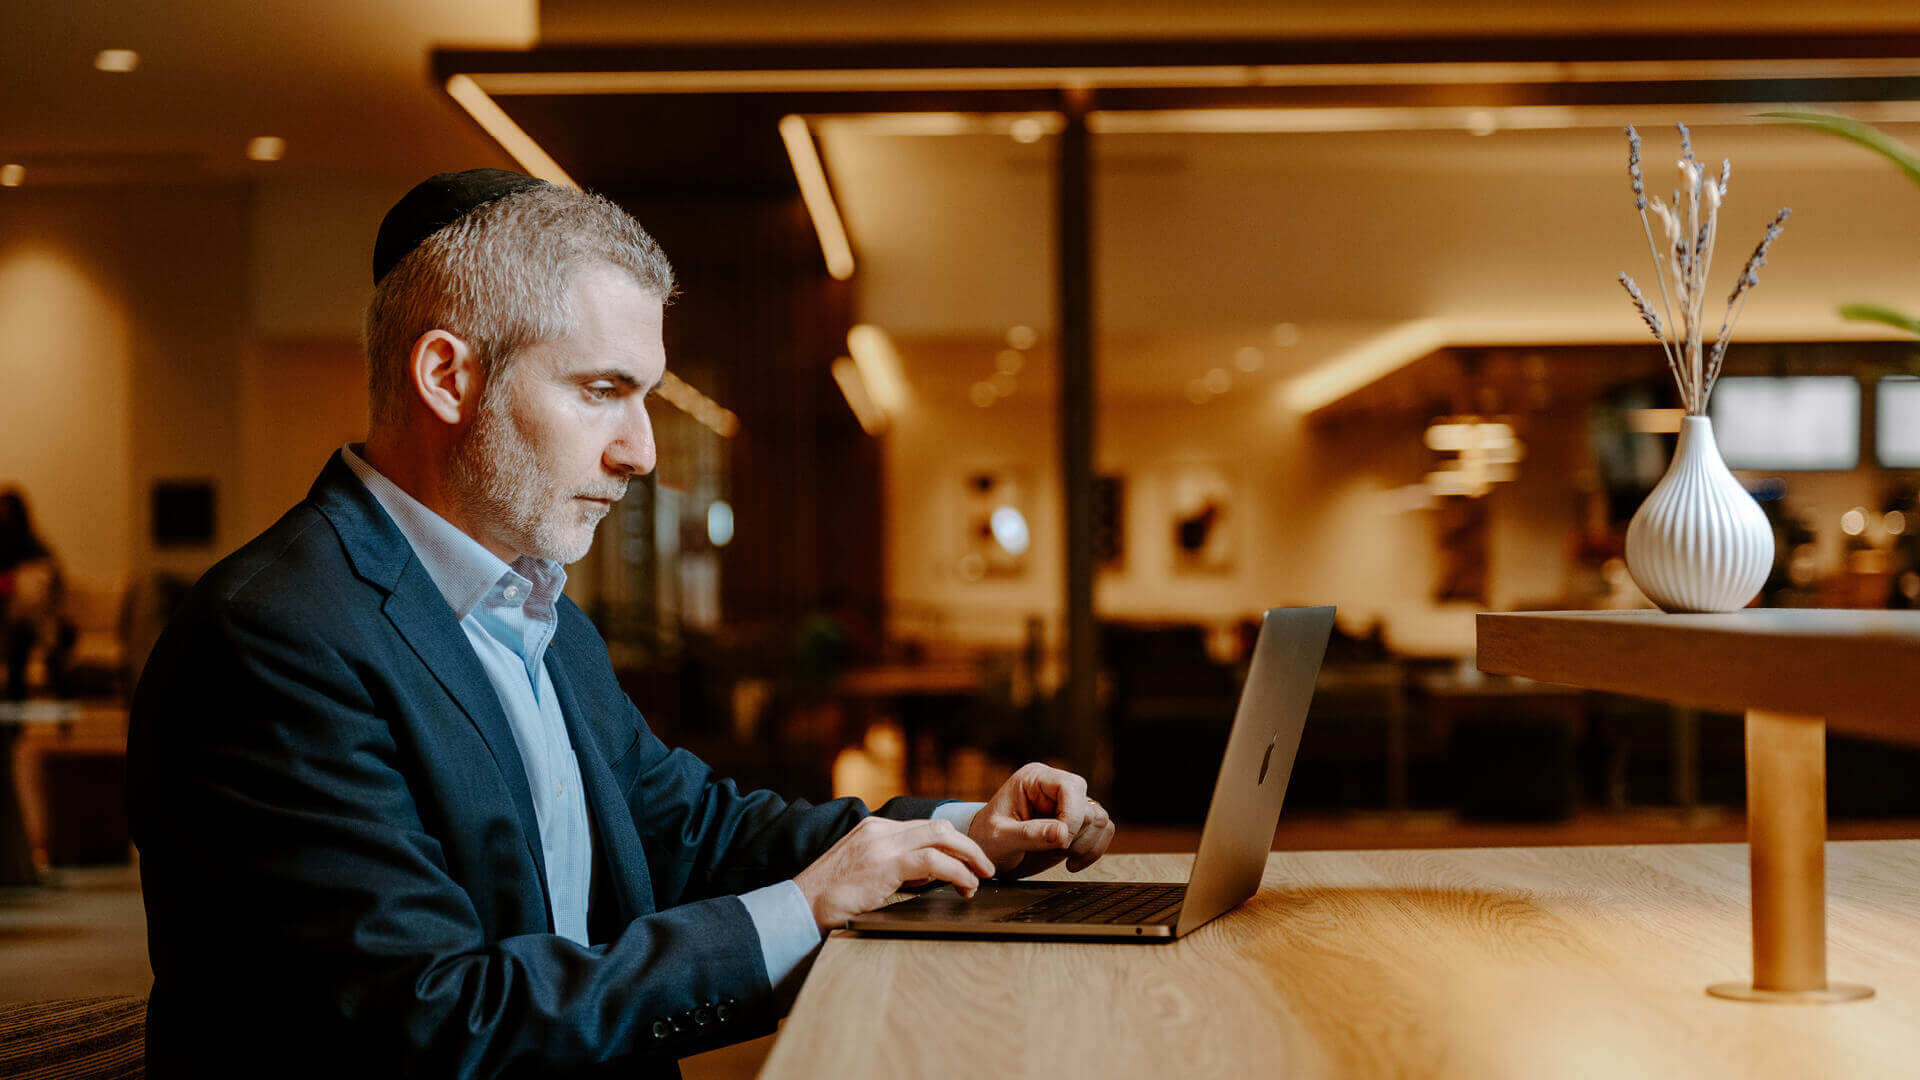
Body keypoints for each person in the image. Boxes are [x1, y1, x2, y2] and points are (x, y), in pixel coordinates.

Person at [127, 170, 1114, 1078]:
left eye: (644, 398)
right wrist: (807, 907)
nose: (641, 452)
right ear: (447, 377)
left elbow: (691, 832)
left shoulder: (540, 612)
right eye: (603, 391)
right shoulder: (271, 640)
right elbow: (435, 1021)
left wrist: (960, 833)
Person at [0, 489, 74, 701]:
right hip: (9, 618)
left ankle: (60, 699)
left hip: (38, 618)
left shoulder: (35, 546)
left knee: (50, 640)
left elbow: (55, 586)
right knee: (20, 646)